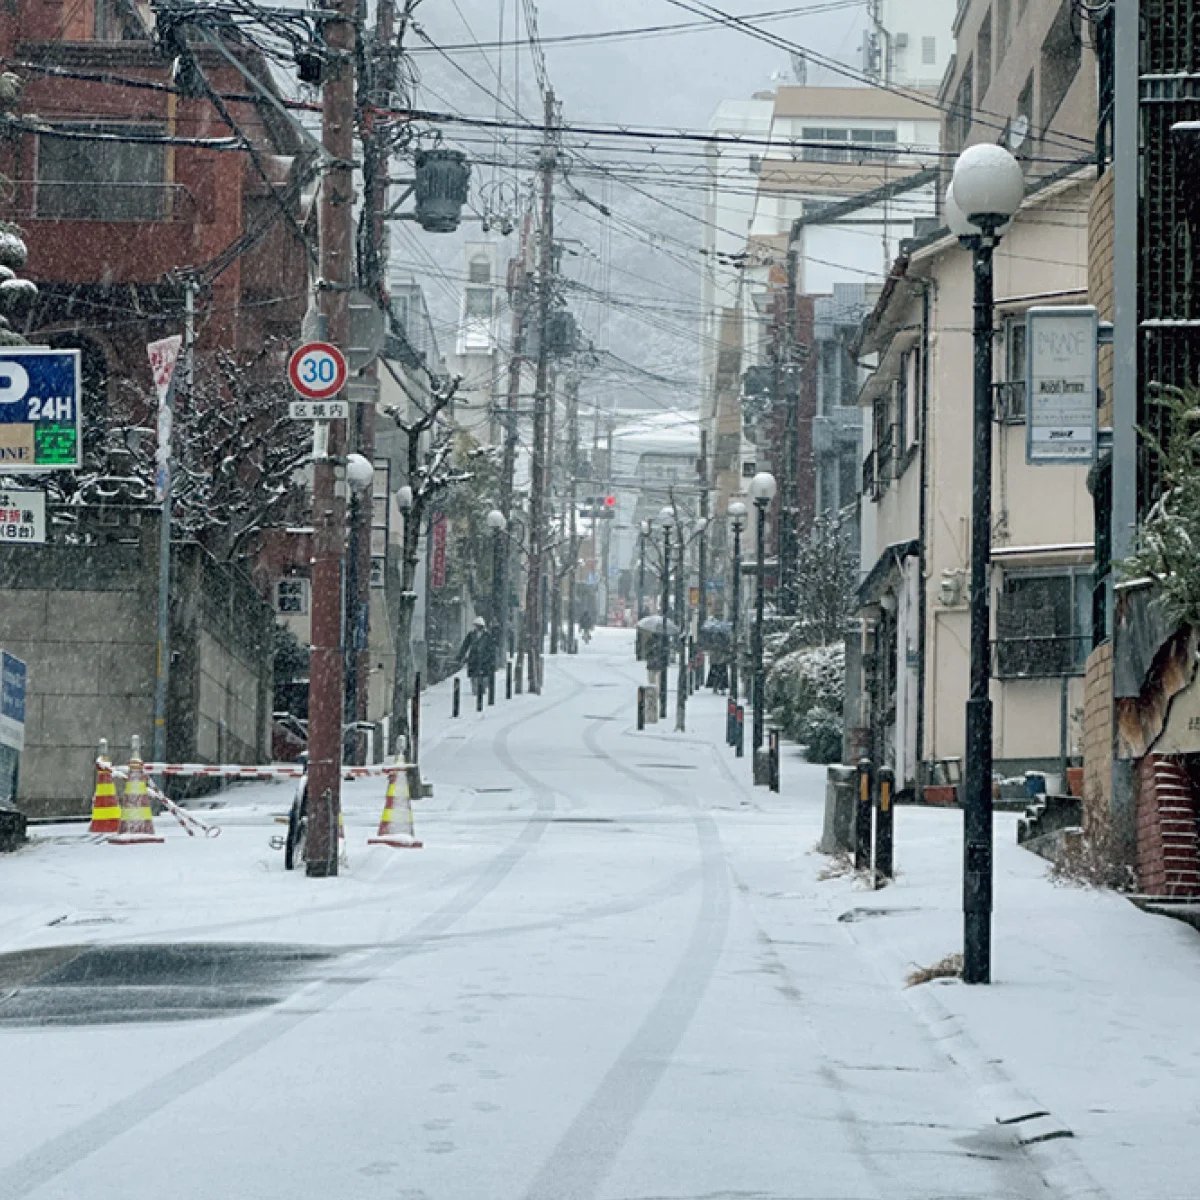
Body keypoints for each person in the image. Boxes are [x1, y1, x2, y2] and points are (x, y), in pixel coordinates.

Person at [458, 616, 495, 699]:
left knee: (484, 676)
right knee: (474, 675)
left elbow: (492, 648)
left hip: (485, 659)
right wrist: (460, 656)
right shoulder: (471, 634)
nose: (477, 627)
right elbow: (465, 645)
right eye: (476, 625)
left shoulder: (487, 635)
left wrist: (491, 658)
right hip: (473, 658)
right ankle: (475, 692)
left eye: (478, 625)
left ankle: (482, 690)